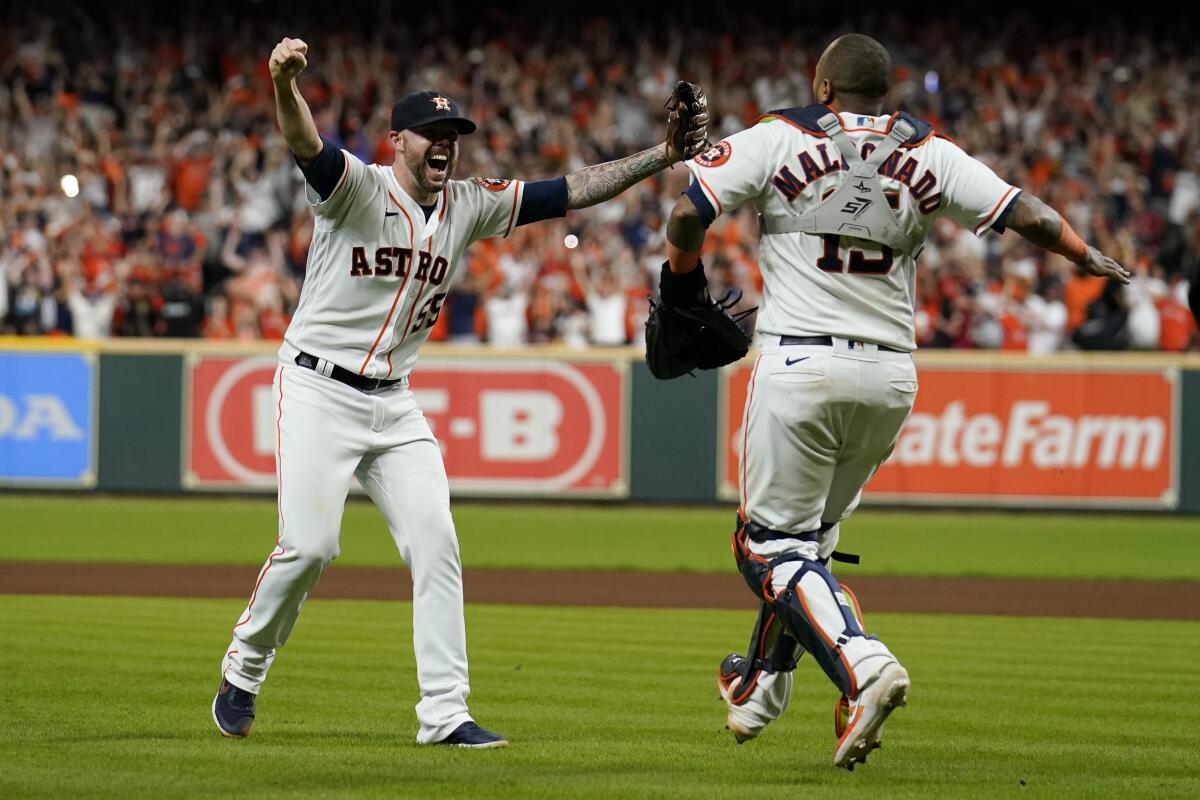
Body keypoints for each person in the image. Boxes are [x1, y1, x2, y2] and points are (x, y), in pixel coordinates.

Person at [212, 37, 709, 748]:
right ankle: (245, 665)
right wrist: (284, 83)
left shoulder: (470, 206)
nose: (446, 146)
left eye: (455, 135)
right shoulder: (358, 187)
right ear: (398, 142)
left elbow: (573, 190)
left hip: (395, 400)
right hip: (318, 386)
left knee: (437, 543)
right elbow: (304, 141)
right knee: (310, 545)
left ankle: (444, 714)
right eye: (432, 135)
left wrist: (660, 158)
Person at [660, 33, 1129, 769]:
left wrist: (682, 284)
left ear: (822, 85)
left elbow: (687, 214)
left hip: (800, 362)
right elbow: (1026, 212)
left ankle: (863, 665)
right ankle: (760, 686)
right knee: (807, 542)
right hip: (890, 378)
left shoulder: (781, 136)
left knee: (765, 547)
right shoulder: (931, 151)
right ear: (885, 92)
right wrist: (1084, 255)